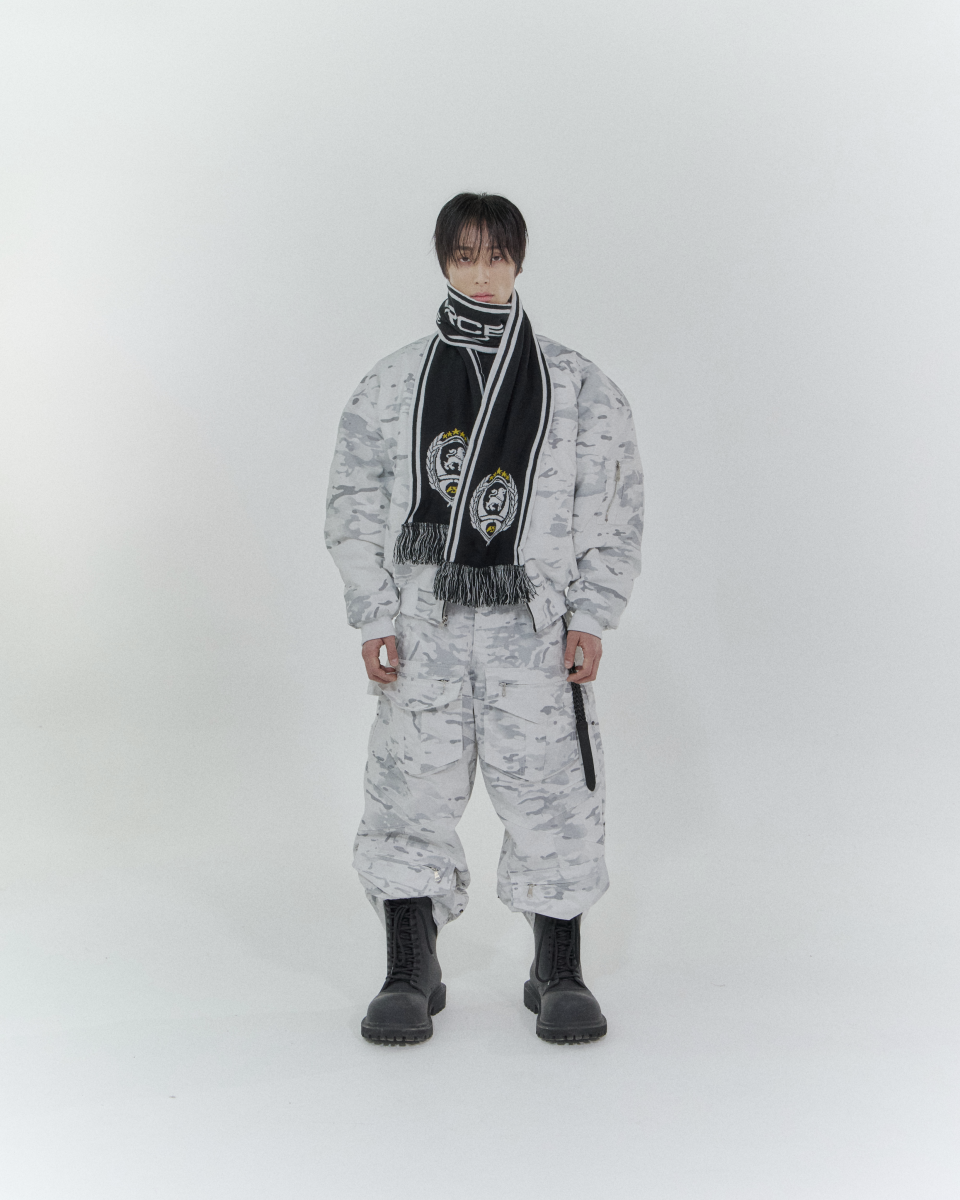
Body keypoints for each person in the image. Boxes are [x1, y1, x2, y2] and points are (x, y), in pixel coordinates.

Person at [325, 193, 643, 1045]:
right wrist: (373, 614)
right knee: (408, 794)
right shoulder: (394, 383)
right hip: (423, 630)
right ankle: (410, 966)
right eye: (464, 255)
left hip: (533, 634)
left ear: (518, 261)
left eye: (495, 255)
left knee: (555, 797)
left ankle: (558, 968)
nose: (480, 272)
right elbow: (354, 502)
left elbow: (615, 508)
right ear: (443, 262)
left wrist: (592, 615)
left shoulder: (577, 386)